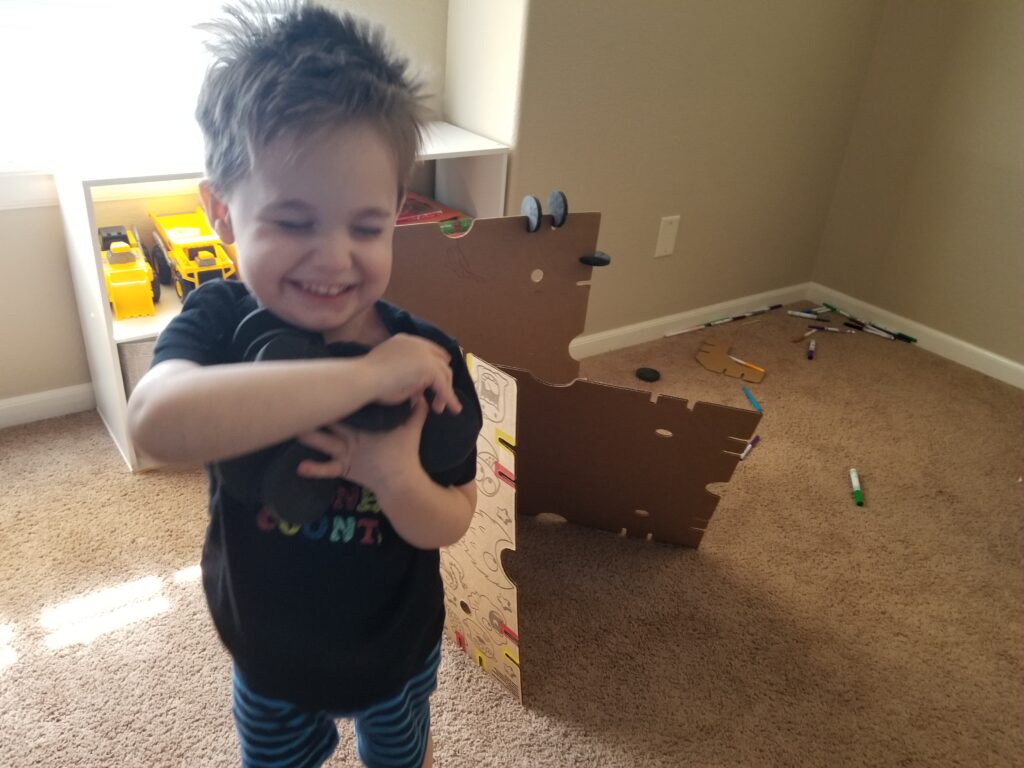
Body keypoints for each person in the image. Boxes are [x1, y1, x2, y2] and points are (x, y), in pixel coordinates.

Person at [126, 3, 481, 766]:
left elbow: (451, 521)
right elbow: (154, 425)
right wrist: (362, 378)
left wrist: (391, 473)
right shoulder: (221, 321)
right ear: (221, 212)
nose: (332, 259)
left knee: (399, 755)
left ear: (397, 214)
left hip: (395, 648)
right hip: (269, 653)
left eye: (365, 227)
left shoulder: (426, 357)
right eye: (292, 222)